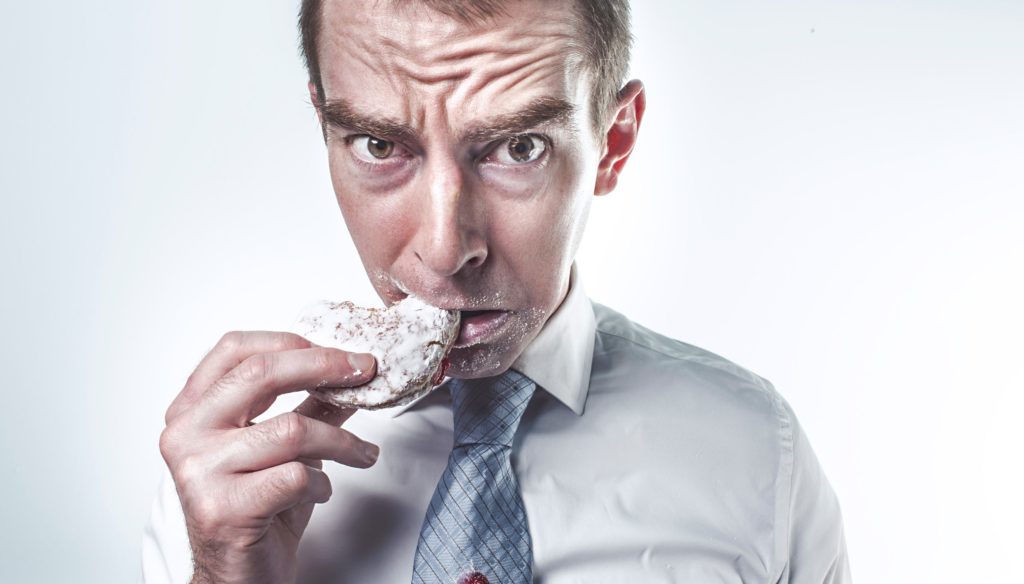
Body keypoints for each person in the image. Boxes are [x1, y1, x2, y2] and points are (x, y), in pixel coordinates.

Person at [142, 0, 851, 582]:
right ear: (326, 124)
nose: (446, 250)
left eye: (518, 148)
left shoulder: (759, 456)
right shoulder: (229, 478)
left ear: (613, 141)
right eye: (380, 146)